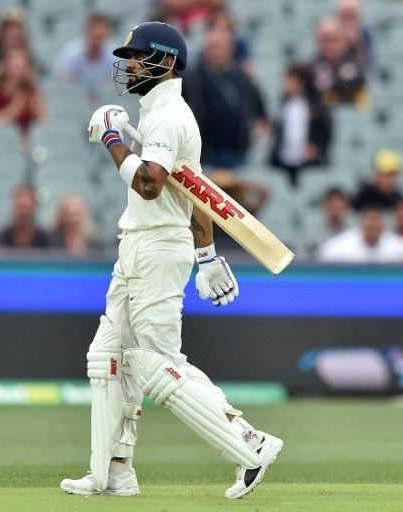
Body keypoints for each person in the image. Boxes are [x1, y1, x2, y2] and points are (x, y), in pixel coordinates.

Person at [60, 21, 282, 500]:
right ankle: (114, 470)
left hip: (157, 250)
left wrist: (111, 140)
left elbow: (150, 184)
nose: (129, 66)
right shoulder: (160, 114)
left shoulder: (168, 117)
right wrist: (207, 255)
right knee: (108, 356)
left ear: (164, 61)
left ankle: (250, 443)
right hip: (139, 245)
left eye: (136, 57)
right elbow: (195, 190)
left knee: (158, 364)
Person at [182, 27, 268, 170]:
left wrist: (260, 125)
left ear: (230, 49)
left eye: (219, 47)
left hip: (239, 153)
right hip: (206, 153)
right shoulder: (192, 79)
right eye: (212, 47)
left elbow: (259, 107)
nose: (216, 52)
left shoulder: (242, 77)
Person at [270, 64, 333, 186]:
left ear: (301, 83)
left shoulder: (315, 106)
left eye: (290, 81)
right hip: (283, 160)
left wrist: (317, 148)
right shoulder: (283, 105)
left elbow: (325, 129)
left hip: (307, 162)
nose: (286, 85)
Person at [317, 205, 403, 263]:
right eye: (369, 223)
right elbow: (323, 255)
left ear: (382, 226)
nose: (373, 226)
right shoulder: (343, 245)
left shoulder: (396, 245)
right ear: (361, 225)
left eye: (376, 222)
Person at [0, 48, 46, 136]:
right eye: (15, 68)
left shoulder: (31, 91)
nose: (19, 73)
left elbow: (43, 119)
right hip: (1, 137)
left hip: (27, 138)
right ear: (6, 68)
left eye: (22, 68)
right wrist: (15, 107)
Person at [56, 13, 117, 98]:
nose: (97, 41)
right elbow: (65, 83)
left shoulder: (115, 57)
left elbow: (116, 87)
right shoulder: (71, 54)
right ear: (86, 32)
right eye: (94, 36)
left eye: (100, 37)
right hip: (76, 99)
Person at [311, 17, 367, 107]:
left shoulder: (354, 63)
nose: (328, 45)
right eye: (324, 40)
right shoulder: (311, 66)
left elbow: (355, 82)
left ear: (343, 41)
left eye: (333, 40)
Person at [0, 184, 51, 249]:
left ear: (35, 206)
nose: (23, 203)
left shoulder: (46, 240)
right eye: (20, 206)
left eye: (26, 207)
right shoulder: (0, 239)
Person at [306, 186, 350, 258]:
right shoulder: (314, 237)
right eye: (331, 201)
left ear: (346, 206)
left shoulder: (355, 234)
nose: (335, 204)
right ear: (324, 205)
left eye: (339, 200)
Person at [336, 0, 374, 69]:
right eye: (346, 16)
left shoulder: (365, 34)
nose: (349, 22)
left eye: (352, 17)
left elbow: (368, 63)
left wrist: (356, 43)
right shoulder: (332, 33)